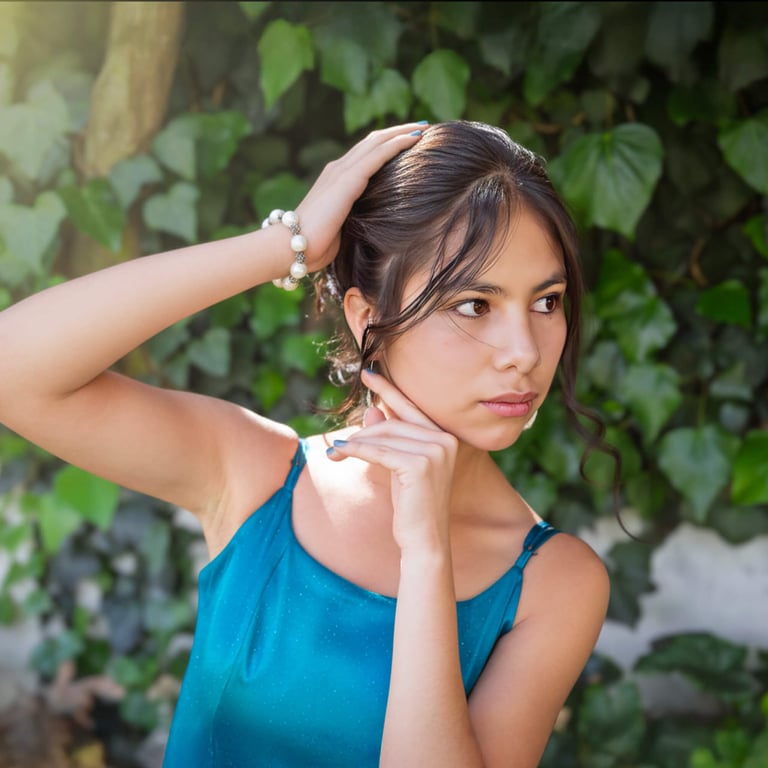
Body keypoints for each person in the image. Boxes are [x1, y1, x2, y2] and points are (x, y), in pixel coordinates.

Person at [0, 121, 611, 767]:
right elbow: (15, 371)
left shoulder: (553, 583)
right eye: (473, 305)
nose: (524, 352)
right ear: (365, 317)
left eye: (547, 302)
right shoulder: (258, 477)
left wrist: (426, 553)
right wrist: (284, 245)